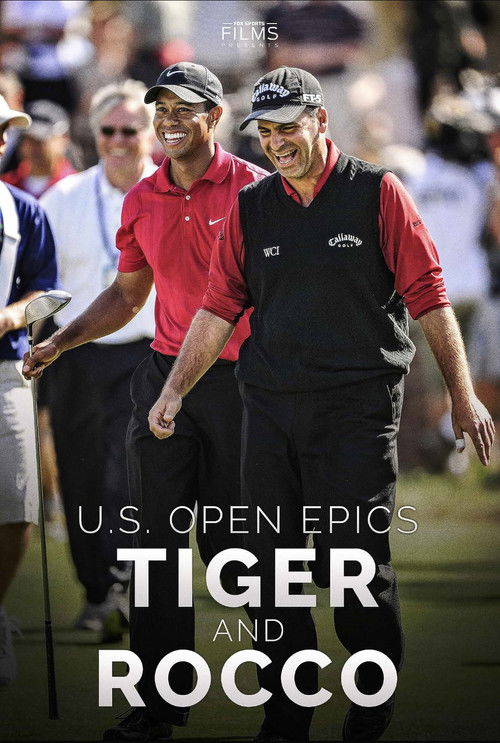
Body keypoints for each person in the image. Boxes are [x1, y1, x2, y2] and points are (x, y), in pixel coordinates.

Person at [142, 67, 494, 742]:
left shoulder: (378, 193)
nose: (276, 142)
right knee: (271, 569)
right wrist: (174, 388)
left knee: (349, 562)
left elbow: (428, 294)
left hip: (357, 410)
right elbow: (218, 307)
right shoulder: (252, 206)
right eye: (265, 132)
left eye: (288, 127)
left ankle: (370, 698)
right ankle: (286, 715)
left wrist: (462, 393)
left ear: (321, 121)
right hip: (270, 409)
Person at [22, 62, 268, 739]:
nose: (170, 121)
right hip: (163, 380)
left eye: (185, 109)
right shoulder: (142, 198)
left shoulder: (257, 192)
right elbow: (129, 295)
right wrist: (61, 341)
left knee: (235, 548)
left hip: (242, 386)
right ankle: (158, 705)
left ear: (214, 117)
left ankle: (286, 691)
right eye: (162, 109)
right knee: (153, 547)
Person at [38, 80, 157, 637]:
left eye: (130, 130)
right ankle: (95, 593)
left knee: (126, 478)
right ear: (95, 133)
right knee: (80, 476)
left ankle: (127, 584)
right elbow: (39, 282)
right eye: (108, 130)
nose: (118, 140)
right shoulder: (62, 199)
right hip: (74, 356)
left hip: (147, 355)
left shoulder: (171, 193)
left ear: (150, 134)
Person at [0, 95, 57, 686]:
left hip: (4, 367)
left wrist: (13, 317)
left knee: (17, 504)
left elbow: (47, 291)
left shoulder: (23, 210)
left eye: (4, 131)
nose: (1, 140)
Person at [1, 99, 76, 198]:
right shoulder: (6, 185)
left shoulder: (78, 187)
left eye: (41, 139)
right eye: (28, 138)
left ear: (64, 138)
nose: (34, 147)